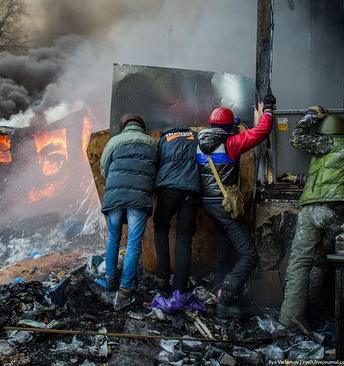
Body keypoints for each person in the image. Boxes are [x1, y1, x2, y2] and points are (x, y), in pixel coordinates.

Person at [196, 94, 275, 318]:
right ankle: (226, 301)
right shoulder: (231, 144)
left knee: (226, 242)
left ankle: (220, 284)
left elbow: (224, 126)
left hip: (209, 203)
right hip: (225, 204)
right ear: (229, 128)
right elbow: (261, 132)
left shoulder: (200, 142)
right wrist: (267, 111)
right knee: (249, 255)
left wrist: (234, 121)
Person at [279, 108, 344, 326]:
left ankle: (290, 322)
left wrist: (309, 116)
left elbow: (296, 138)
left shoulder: (326, 143)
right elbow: (330, 177)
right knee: (321, 264)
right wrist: (298, 178)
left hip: (314, 210)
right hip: (338, 214)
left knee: (299, 264)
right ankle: (310, 312)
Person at [100, 115, 157, 308]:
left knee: (113, 237)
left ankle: (109, 279)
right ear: (142, 127)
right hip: (138, 199)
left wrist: (114, 183)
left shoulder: (114, 141)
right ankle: (126, 288)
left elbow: (103, 167)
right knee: (133, 243)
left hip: (114, 197)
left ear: (125, 127)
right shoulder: (151, 143)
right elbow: (155, 170)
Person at [153, 125, 201, 294]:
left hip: (168, 190)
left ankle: (162, 278)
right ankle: (180, 287)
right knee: (184, 238)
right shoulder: (195, 137)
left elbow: (156, 163)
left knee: (160, 228)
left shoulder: (164, 139)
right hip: (191, 190)